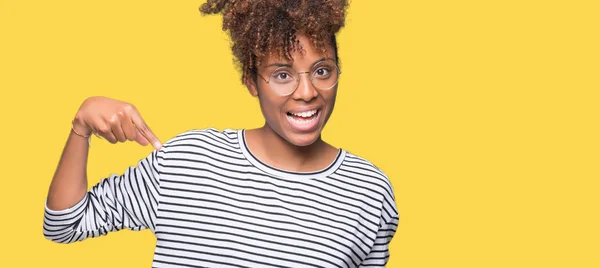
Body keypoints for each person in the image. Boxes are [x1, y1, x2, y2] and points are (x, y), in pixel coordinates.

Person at [43, 0, 399, 267]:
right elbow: (64, 224)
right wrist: (81, 126)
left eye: (322, 71)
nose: (307, 92)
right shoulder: (188, 161)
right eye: (282, 74)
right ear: (251, 81)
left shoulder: (368, 190)